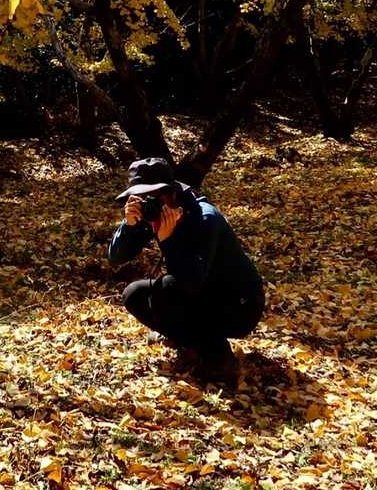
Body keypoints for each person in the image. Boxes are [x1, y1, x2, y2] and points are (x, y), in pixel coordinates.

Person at [108, 156, 265, 381]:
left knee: (167, 288)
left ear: (171, 192)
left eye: (154, 196)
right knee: (134, 294)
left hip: (240, 304)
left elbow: (189, 282)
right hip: (201, 291)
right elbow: (116, 257)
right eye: (141, 198)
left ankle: (218, 357)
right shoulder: (152, 213)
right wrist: (129, 225)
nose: (149, 203)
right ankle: (186, 338)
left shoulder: (204, 217)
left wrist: (168, 240)